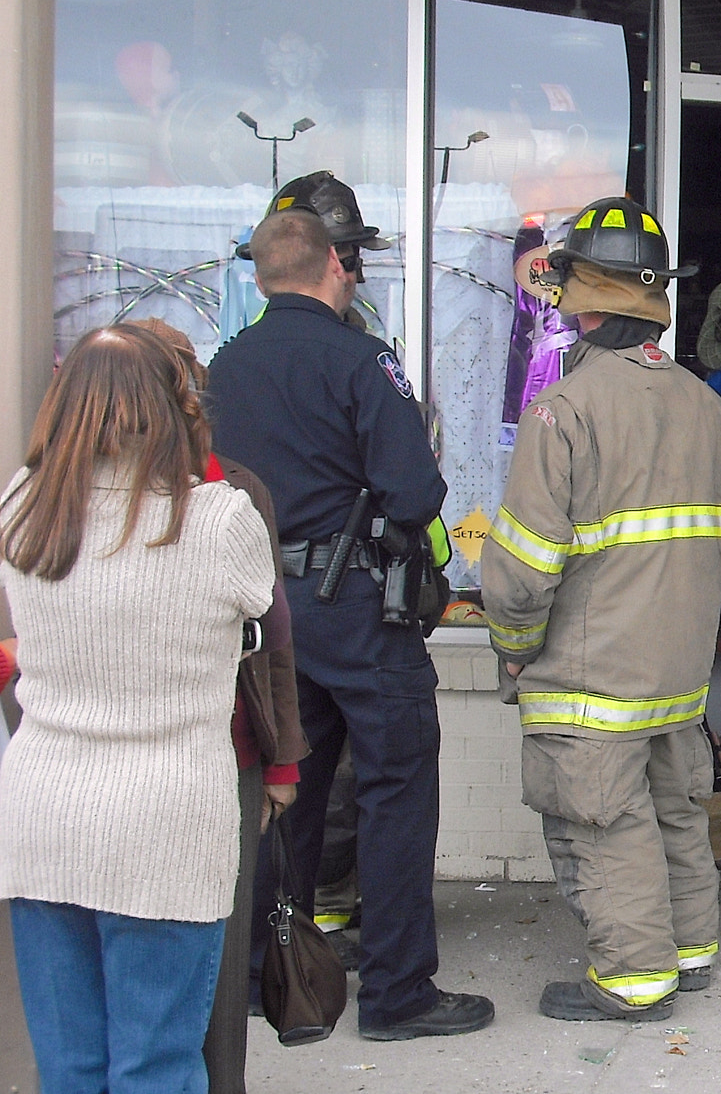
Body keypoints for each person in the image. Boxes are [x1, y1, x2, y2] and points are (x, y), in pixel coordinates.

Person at [207, 198, 490, 1041]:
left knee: (284, 794)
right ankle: (398, 993)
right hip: (358, 608)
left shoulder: (224, 366)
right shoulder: (364, 361)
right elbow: (414, 491)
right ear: (336, 263)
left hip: (265, 611)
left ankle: (267, 974)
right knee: (397, 789)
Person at [483, 196, 721, 1021]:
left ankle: (633, 979)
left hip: (593, 676)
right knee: (675, 809)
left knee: (602, 822)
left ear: (581, 296)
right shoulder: (710, 410)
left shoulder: (564, 410)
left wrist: (516, 646)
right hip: (677, 671)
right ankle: (692, 952)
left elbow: (523, 569)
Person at [0, 325, 276, 1093]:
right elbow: (261, 599)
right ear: (175, 404)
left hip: (41, 818)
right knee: (156, 1065)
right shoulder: (219, 519)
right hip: (167, 824)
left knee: (69, 1068)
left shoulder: (22, 507)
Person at [132, 319, 308, 1094]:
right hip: (114, 763)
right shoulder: (70, 494)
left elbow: (274, 637)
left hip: (225, 757)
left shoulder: (235, 492)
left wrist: (280, 761)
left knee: (220, 963)